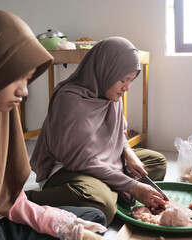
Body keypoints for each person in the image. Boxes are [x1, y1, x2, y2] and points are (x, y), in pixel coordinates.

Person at [0, 10, 106, 240]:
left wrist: (61, 225)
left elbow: (10, 200)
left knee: (93, 218)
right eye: (15, 77)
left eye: (28, 78)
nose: (24, 91)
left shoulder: (1, 113)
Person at [26, 36, 167, 226]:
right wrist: (131, 186)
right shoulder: (69, 100)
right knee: (103, 206)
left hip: (105, 161)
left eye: (131, 80)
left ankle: (111, 189)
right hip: (67, 170)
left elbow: (119, 134)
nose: (127, 87)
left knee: (157, 162)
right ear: (106, 70)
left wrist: (129, 153)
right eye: (123, 80)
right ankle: (30, 199)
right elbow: (80, 160)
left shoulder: (110, 94)